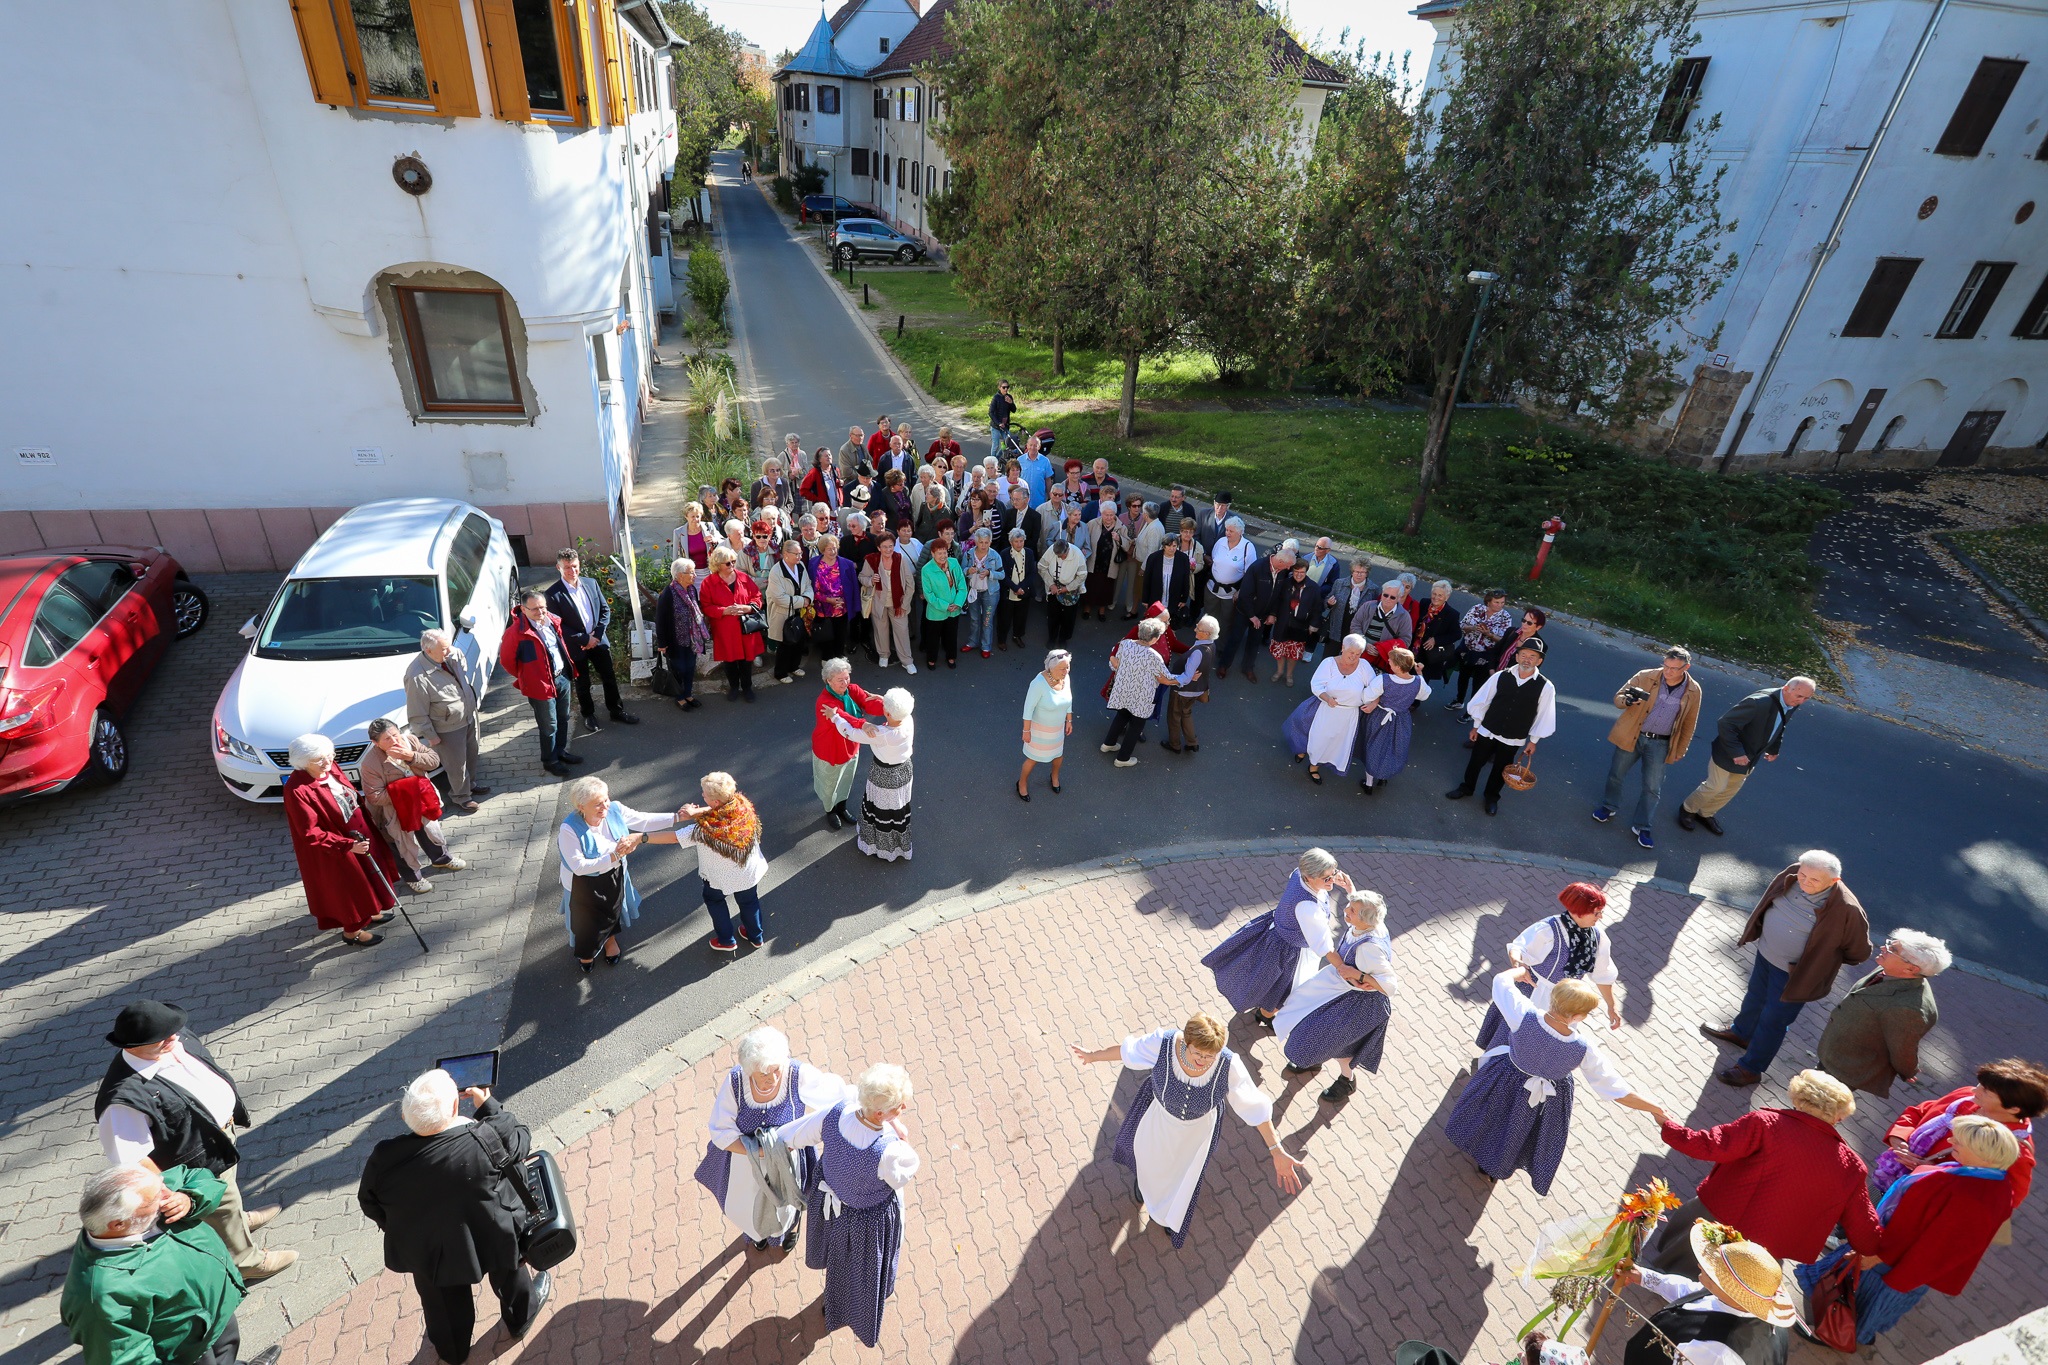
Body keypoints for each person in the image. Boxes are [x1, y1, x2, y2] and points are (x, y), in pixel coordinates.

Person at [94, 1001, 295, 1282]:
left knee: (227, 1193)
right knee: (219, 1201)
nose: (174, 1038)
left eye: (173, 1030)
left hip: (219, 1139)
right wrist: (172, 1196)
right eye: (164, 1037)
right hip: (193, 1166)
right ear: (134, 1046)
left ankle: (236, 1220)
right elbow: (134, 1163)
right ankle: (244, 1262)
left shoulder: (176, 1039)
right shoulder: (122, 1101)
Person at [358, 1071, 549, 1364]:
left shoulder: (384, 1157)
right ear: (456, 1107)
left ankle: (452, 1351)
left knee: (441, 1303)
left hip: (429, 1249)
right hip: (490, 1231)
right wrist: (488, 1105)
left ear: (406, 1117)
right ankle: (520, 1318)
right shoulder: (485, 1138)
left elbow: (368, 1201)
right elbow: (521, 1137)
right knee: (509, 1270)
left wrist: (401, 1228)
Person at [1070, 1012, 1306, 1248]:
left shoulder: (1228, 1064)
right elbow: (1128, 1051)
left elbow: (1255, 1107)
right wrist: (1093, 1056)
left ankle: (1167, 1214)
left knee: (1182, 1176)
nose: (1203, 1060)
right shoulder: (1164, 1043)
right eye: (1198, 1053)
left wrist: (1276, 1150)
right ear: (1186, 1042)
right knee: (1149, 1161)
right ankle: (1146, 1189)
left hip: (1196, 1132)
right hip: (1159, 1120)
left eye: (1210, 1056)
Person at [1794, 1117, 2023, 1348]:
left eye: (1960, 1142)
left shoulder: (1971, 1197)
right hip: (1895, 1251)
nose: (1951, 1141)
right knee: (1861, 1298)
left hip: (1893, 1258)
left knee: (1860, 1296)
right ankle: (1853, 1326)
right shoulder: (1989, 1178)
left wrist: (1879, 1255)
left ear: (1983, 1155)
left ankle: (1834, 1332)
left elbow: (1935, 1245)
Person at [1641, 1069, 1879, 1275]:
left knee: (1683, 1270)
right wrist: (1877, 1251)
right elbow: (1862, 1223)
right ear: (1839, 1117)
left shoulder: (1766, 1123)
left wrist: (1670, 1127)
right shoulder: (1851, 1166)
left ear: (1799, 1099)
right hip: (1766, 1248)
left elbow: (1710, 1145)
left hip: (1719, 1217)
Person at [1443, 973, 1665, 1192]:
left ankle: (1475, 1143)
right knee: (1515, 1129)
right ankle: (1493, 1165)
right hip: (1538, 1100)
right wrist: (1655, 1109)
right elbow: (1617, 1090)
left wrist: (1519, 972)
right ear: (1578, 1016)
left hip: (1502, 1078)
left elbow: (1500, 981)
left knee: (1490, 1112)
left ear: (1553, 998)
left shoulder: (1524, 1014)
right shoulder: (1583, 1049)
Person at [773, 1064, 919, 1348]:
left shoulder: (836, 1113)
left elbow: (793, 1136)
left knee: (838, 1254)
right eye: (899, 1107)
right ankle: (850, 1307)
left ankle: (832, 1299)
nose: (903, 1109)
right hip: (868, 1220)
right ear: (880, 1114)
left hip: (832, 1208)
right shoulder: (890, 1151)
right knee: (863, 1267)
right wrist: (899, 1134)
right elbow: (902, 1175)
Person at [1700, 850, 1871, 1087]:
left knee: (1773, 1021)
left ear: (1834, 881)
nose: (1805, 882)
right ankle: (1741, 1033)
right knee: (1754, 998)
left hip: (1795, 975)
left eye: (1814, 880)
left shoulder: (1847, 908)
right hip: (1766, 955)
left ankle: (1751, 1069)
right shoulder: (1792, 873)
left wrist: (1822, 962)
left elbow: (1859, 951)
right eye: (1803, 875)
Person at [61, 1164, 248, 1365]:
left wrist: (190, 1198)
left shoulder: (148, 1191)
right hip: (187, 1351)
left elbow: (197, 1175)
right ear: (119, 1224)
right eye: (156, 1200)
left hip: (217, 1308)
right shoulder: (101, 1296)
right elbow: (127, 1358)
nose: (168, 1195)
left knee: (227, 1351)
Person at [694, 1027, 854, 1252]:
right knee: (749, 1203)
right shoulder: (736, 1082)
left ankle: (788, 1231)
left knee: (790, 1199)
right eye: (763, 1075)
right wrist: (760, 1152)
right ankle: (757, 1233)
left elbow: (839, 1097)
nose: (773, 1079)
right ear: (750, 1071)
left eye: (777, 1070)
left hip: (788, 1160)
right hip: (746, 1163)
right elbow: (720, 1131)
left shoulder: (796, 1074)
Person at [1202, 849, 1362, 1027]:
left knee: (1264, 979)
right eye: (1326, 878)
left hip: (1273, 934)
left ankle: (1263, 1010)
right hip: (1289, 952)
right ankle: (1266, 1014)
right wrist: (1343, 969)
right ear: (1309, 877)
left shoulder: (1298, 874)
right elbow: (1325, 946)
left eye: (1334, 873)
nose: (1332, 880)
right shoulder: (1309, 909)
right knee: (1285, 989)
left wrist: (1342, 884)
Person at [1275, 888, 1400, 1103]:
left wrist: (1358, 975)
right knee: (1312, 1027)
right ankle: (1313, 1060)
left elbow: (1390, 986)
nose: (1346, 911)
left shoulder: (1370, 949)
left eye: (1352, 910)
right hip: (1340, 991)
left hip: (1358, 1005)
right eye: (1349, 906)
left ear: (1366, 920)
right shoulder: (1369, 924)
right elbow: (1365, 909)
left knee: (1341, 1046)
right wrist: (1351, 889)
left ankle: (1347, 1081)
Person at [1613, 1225, 1795, 1365]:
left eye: (1714, 1268)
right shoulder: (1741, 1304)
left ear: (1732, 1291)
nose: (1701, 1264)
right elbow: (1691, 1292)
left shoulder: (1716, 1353)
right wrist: (1644, 1277)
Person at [1474, 884, 1621, 1052]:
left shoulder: (1597, 937)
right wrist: (1517, 962)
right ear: (1580, 911)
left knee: (1543, 1048)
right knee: (1514, 1040)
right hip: (1533, 992)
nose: (1601, 917)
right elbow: (1519, 947)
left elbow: (1603, 974)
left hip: (1565, 1001)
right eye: (1596, 913)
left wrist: (1612, 1006)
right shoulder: (1549, 929)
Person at [1874, 1057, 2043, 1203]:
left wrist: (1936, 1173)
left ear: (2013, 1109)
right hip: (1890, 1176)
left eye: (1986, 1091)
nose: (1975, 1090)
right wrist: (1899, 1139)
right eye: (1980, 1084)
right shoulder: (1965, 1097)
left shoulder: (2016, 1151)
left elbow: (2004, 1199)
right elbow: (1919, 1112)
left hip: (1921, 1200)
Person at [282, 733, 397, 947]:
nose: (327, 762)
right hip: (337, 847)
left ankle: (372, 911)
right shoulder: (297, 790)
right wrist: (348, 845)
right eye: (319, 759)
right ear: (303, 762)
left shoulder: (330, 766)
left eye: (329, 755)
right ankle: (352, 932)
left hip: (359, 833)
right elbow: (310, 832)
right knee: (352, 889)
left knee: (372, 875)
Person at [556, 775, 680, 972]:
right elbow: (578, 866)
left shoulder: (614, 809)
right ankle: (586, 953)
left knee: (612, 911)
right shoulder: (568, 828)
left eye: (606, 799)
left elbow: (644, 820)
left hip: (613, 874)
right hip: (582, 883)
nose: (605, 806)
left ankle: (610, 940)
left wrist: (678, 817)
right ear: (581, 806)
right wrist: (615, 855)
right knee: (586, 921)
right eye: (597, 804)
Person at [1677, 677, 1818, 835]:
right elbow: (1726, 724)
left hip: (1751, 757)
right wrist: (1737, 753)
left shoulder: (1791, 703)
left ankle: (1705, 813)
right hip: (1729, 752)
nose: (1801, 701)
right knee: (1715, 786)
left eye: (1806, 698)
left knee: (1731, 789)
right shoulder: (1759, 702)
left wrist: (1774, 749)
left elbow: (1780, 725)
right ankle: (1688, 809)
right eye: (1799, 696)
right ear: (1786, 688)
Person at [1818, 930, 1950, 1098]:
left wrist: (1907, 1070)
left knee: (1815, 1103)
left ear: (1911, 968)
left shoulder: (1908, 1009)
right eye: (1890, 943)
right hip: (1833, 1053)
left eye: (1893, 950)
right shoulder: (1889, 969)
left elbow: (1903, 1049)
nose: (1883, 947)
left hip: (1847, 1068)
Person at [1593, 646, 1702, 850]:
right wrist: (1627, 701)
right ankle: (1609, 806)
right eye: (1665, 665)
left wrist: (1681, 749)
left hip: (1661, 743)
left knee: (1653, 788)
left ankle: (1643, 825)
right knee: (1616, 774)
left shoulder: (1694, 690)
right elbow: (1618, 698)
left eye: (1674, 668)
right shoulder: (1645, 676)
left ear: (1686, 668)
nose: (1667, 671)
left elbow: (1690, 722)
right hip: (1633, 735)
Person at [1447, 636, 1556, 815]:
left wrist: (1533, 741)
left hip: (1514, 735)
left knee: (1501, 767)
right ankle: (1466, 787)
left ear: (1539, 661)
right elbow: (1483, 701)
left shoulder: (1546, 687)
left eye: (1532, 656)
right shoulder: (1500, 676)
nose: (1527, 659)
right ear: (1517, 656)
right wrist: (1476, 726)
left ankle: (1491, 797)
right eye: (1524, 655)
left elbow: (1543, 715)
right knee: (1476, 761)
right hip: (1488, 728)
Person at [359, 719, 466, 893]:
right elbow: (375, 796)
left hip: (421, 802)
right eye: (387, 739)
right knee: (400, 843)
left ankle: (441, 858)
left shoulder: (410, 741)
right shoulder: (370, 763)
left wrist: (411, 757)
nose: (394, 741)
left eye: (395, 735)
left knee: (429, 830)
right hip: (392, 810)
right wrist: (411, 790)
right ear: (375, 743)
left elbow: (433, 761)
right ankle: (413, 877)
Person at [544, 549, 638, 733]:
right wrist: (585, 639)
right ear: (558, 568)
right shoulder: (552, 594)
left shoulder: (591, 583)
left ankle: (616, 710)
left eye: (574, 566)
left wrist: (597, 635)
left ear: (579, 564)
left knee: (609, 677)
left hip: (598, 641)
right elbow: (558, 625)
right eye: (567, 567)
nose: (572, 571)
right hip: (576, 646)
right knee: (583, 682)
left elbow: (604, 610)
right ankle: (588, 715)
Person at [678, 771, 769, 952]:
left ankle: (726, 940)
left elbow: (674, 837)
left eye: (704, 794)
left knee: (714, 901)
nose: (702, 795)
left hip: (718, 879)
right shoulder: (742, 806)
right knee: (749, 902)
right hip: (747, 873)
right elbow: (720, 809)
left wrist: (642, 838)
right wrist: (696, 812)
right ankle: (756, 937)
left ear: (716, 802)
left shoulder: (703, 830)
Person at [403, 630, 485, 813]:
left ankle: (470, 785)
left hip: (466, 717)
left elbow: (462, 666)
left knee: (471, 754)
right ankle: (461, 797)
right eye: (444, 649)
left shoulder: (449, 655)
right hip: (447, 728)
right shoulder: (416, 676)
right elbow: (417, 712)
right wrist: (431, 736)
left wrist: (451, 652)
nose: (449, 652)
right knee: (456, 765)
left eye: (449, 647)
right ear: (428, 650)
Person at [499, 589, 580, 775]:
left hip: (562, 678)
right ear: (523, 609)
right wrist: (528, 677)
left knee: (563, 717)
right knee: (549, 725)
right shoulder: (515, 633)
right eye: (534, 609)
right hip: (540, 686)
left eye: (543, 607)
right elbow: (507, 662)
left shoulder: (552, 621)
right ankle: (550, 761)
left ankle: (560, 751)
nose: (540, 612)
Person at [1283, 634, 1375, 784]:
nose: (1354, 657)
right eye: (1351, 652)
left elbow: (1374, 687)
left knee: (1332, 742)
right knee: (1311, 734)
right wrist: (1327, 698)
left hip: (1348, 714)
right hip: (1325, 707)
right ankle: (1303, 750)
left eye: (1358, 654)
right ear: (1343, 648)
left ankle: (1314, 766)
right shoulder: (1329, 663)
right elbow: (1316, 685)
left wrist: (1373, 703)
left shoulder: (1364, 666)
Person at [835, 688, 916, 861]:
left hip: (883, 774)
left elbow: (850, 733)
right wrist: (881, 698)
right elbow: (898, 711)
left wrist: (835, 716)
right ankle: (898, 844)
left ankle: (880, 846)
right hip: (904, 770)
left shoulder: (882, 734)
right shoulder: (908, 719)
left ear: (887, 713)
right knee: (897, 807)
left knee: (881, 809)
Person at [812, 657, 886, 829]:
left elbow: (870, 704)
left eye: (847, 677)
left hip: (850, 746)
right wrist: (863, 724)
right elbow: (843, 717)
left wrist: (888, 705)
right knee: (830, 785)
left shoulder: (852, 690)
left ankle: (842, 807)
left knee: (846, 780)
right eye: (840, 680)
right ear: (828, 680)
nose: (845, 683)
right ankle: (830, 811)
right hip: (830, 750)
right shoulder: (824, 702)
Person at [1102, 618, 1177, 767]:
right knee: (1136, 727)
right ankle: (1122, 759)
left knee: (1121, 716)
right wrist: (1185, 678)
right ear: (1154, 638)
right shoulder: (1154, 656)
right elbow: (1167, 678)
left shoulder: (1125, 644)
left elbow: (1114, 664)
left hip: (1123, 691)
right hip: (1141, 698)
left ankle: (1108, 744)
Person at [1359, 646, 1432, 793]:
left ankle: (1369, 783)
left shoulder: (1383, 679)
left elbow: (1366, 696)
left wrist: (1375, 699)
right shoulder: (1417, 682)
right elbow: (1425, 695)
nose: (1388, 662)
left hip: (1380, 717)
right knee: (1393, 748)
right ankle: (1384, 776)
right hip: (1401, 719)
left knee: (1373, 747)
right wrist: (1420, 673)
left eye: (1391, 661)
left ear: (1398, 667)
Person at [701, 544, 766, 701]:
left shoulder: (743, 577)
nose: (732, 565)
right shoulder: (708, 583)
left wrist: (747, 608)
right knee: (729, 660)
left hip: (745, 627)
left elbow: (757, 597)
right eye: (728, 563)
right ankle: (734, 687)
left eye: (733, 561)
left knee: (746, 660)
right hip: (725, 629)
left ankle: (747, 688)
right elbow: (706, 607)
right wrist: (724, 611)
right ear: (718, 565)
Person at [1226, 541, 1295, 681]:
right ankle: (1224, 665)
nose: (1289, 568)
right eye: (1288, 565)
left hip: (1262, 615)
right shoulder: (1257, 567)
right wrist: (1252, 616)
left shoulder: (1282, 572)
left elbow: (1278, 596)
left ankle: (1248, 668)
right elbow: (1245, 595)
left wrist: (1272, 614)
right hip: (1244, 613)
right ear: (1280, 561)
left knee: (1254, 643)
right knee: (1235, 639)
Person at [654, 558, 711, 712]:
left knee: (690, 667)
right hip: (676, 641)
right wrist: (662, 643)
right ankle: (679, 697)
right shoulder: (668, 594)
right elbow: (660, 620)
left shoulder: (692, 590)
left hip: (692, 639)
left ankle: (688, 694)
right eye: (691, 572)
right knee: (679, 669)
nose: (695, 575)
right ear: (680, 575)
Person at [861, 525, 918, 674]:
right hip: (879, 603)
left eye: (891, 546)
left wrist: (905, 604)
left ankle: (907, 661)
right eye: (885, 547)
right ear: (879, 548)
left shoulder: (900, 559)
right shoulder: (871, 560)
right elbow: (862, 577)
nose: (888, 550)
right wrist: (870, 580)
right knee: (880, 630)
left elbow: (910, 584)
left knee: (902, 632)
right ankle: (883, 655)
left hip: (899, 603)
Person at [1018, 650, 1074, 799]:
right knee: (1033, 759)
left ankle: (1054, 777)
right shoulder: (1038, 683)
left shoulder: (1065, 678)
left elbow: (1069, 700)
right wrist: (1026, 731)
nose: (1066, 671)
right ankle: (1021, 783)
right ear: (1051, 667)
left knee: (1058, 756)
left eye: (1067, 667)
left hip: (1057, 730)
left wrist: (1069, 720)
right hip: (1039, 731)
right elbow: (1028, 709)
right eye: (1062, 668)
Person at [1203, 516, 1258, 668]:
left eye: (1231, 531)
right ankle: (1206, 643)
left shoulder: (1248, 548)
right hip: (1212, 588)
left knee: (1226, 621)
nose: (1227, 533)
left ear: (1240, 532)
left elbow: (1250, 574)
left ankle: (1221, 647)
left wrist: (1240, 591)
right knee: (1210, 617)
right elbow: (1214, 560)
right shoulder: (1220, 542)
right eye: (1227, 530)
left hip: (1231, 594)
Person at [1447, 589, 1513, 713]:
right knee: (1463, 677)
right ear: (1488, 601)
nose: (1500, 605)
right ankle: (1459, 700)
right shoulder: (1476, 609)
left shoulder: (1505, 617)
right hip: (1468, 651)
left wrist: (1489, 634)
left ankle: (1471, 711)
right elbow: (1462, 626)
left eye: (1502, 602)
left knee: (1478, 684)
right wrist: (1473, 628)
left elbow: (1504, 640)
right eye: (1496, 602)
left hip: (1486, 655)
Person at [1161, 615, 1217, 755]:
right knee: (1186, 713)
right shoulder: (1211, 645)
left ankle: (1174, 745)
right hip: (1198, 689)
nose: (1195, 629)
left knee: (1174, 717)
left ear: (1207, 633)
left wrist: (1168, 680)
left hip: (1182, 691)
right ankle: (1192, 742)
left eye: (1198, 628)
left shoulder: (1197, 652)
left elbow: (1186, 678)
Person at [764, 535, 815, 684]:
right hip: (783, 614)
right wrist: (803, 601)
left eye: (800, 553)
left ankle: (794, 666)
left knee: (798, 641)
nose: (800, 556)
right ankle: (780, 673)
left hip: (799, 613)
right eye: (796, 554)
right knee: (785, 644)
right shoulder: (776, 571)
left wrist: (808, 598)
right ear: (786, 554)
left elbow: (808, 584)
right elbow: (779, 598)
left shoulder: (800, 566)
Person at [1267, 558, 1325, 687]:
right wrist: (1272, 614)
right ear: (1292, 571)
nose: (1299, 575)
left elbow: (1317, 608)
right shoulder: (1285, 584)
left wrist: (1314, 624)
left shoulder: (1313, 588)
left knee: (1293, 653)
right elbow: (1277, 601)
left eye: (1302, 572)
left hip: (1300, 625)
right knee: (1280, 649)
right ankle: (1279, 671)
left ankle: (1289, 675)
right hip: (1283, 622)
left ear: (1306, 572)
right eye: (1296, 571)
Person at [807, 532, 858, 668]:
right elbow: (810, 587)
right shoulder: (813, 564)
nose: (833, 551)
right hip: (821, 606)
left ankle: (839, 655)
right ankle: (827, 657)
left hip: (841, 606)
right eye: (829, 549)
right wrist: (827, 599)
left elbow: (853, 586)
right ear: (822, 550)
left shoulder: (847, 564)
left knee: (840, 632)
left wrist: (850, 602)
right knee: (825, 633)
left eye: (834, 548)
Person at [1312, 560, 1373, 670]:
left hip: (1356, 632)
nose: (1359, 574)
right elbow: (1327, 600)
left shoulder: (1373, 589)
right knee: (1329, 660)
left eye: (1362, 572)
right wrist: (1329, 603)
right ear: (1352, 572)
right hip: (1336, 629)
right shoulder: (1339, 583)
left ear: (1367, 573)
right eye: (1356, 571)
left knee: (1349, 662)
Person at [919, 539, 968, 669]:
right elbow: (928, 594)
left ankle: (951, 657)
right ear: (932, 553)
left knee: (951, 635)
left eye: (944, 552)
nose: (943, 556)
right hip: (936, 611)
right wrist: (946, 606)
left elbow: (962, 585)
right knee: (933, 637)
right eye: (939, 553)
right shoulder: (926, 569)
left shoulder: (954, 563)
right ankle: (931, 659)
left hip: (954, 609)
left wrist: (957, 603)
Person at [960, 526, 1004, 658]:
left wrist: (990, 573)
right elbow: (961, 571)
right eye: (981, 542)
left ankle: (986, 646)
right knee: (974, 619)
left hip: (990, 593)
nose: (983, 545)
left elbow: (1002, 574)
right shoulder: (968, 554)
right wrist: (968, 570)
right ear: (975, 541)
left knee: (987, 620)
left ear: (990, 542)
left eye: (986, 542)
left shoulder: (995, 556)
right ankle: (972, 642)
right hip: (973, 591)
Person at [1142, 525, 1197, 628]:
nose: (1172, 549)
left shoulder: (1183, 559)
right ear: (1163, 546)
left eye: (1174, 546)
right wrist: (1145, 599)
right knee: (1155, 626)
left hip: (1174, 599)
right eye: (1169, 545)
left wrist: (1184, 599)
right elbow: (1147, 579)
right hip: (1156, 598)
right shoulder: (1153, 558)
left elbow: (1185, 580)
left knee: (1171, 626)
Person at [1116, 499, 1163, 619]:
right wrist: (1135, 540)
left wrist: (1143, 568)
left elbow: (1152, 551)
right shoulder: (1150, 523)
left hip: (1144, 564)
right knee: (1137, 589)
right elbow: (1144, 539)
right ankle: (1134, 610)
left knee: (1143, 592)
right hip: (1141, 562)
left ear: (1146, 514)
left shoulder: (1154, 528)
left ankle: (1146, 617)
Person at [1039, 533, 1086, 646]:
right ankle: (1052, 638)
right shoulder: (1051, 550)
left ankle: (1063, 639)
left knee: (1068, 617)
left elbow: (1082, 575)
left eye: (1062, 556)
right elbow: (1041, 567)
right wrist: (1051, 584)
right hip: (1054, 587)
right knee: (1053, 615)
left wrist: (1067, 588)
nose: (1061, 558)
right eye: (1058, 556)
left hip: (1071, 589)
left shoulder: (1078, 554)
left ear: (1068, 549)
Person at [1410, 580, 1461, 683]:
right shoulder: (1424, 603)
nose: (1436, 597)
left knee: (1420, 685)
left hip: (1428, 656)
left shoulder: (1451, 614)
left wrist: (1436, 640)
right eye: (1434, 594)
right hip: (1413, 650)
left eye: (1440, 595)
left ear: (1447, 597)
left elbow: (1456, 634)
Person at [997, 526, 1038, 650]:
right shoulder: (1004, 554)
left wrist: (1022, 588)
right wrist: (1015, 588)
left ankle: (1017, 636)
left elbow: (1032, 573)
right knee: (1004, 618)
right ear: (1011, 542)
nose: (1019, 544)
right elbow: (1002, 575)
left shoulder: (1029, 553)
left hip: (1024, 592)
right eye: (1016, 541)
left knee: (1021, 617)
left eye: (1021, 541)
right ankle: (1002, 640)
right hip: (1008, 592)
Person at [1357, 579, 1413, 667]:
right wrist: (1364, 644)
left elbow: (1405, 640)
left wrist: (1382, 649)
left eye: (1392, 597)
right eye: (1385, 595)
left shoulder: (1404, 616)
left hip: (1382, 661)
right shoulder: (1368, 606)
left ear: (1399, 598)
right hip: (1359, 653)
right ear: (1382, 593)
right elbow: (1355, 625)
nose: (1387, 599)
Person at [1083, 499, 1122, 619]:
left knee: (1106, 587)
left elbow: (1127, 545)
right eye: (1106, 515)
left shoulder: (1120, 527)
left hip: (1109, 563)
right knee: (1091, 584)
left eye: (1111, 515)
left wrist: (1119, 539)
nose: (1109, 517)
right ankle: (1087, 608)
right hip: (1094, 561)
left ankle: (1102, 610)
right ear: (1101, 513)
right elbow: (1085, 539)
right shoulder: (1092, 524)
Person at [799, 447, 843, 512]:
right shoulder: (814, 472)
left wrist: (839, 484)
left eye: (829, 455)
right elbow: (803, 491)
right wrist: (817, 499)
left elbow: (835, 486)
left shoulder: (835, 469)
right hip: (822, 510)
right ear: (819, 459)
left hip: (837, 508)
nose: (829, 457)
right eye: (826, 456)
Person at [1016, 431, 1054, 505]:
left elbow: (1048, 480)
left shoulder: (1045, 461)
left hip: (1039, 501)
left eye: (1035, 445)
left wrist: (1050, 497)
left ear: (1039, 447)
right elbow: (1016, 478)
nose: (1032, 448)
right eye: (1030, 445)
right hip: (1022, 501)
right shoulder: (1020, 460)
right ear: (1027, 445)